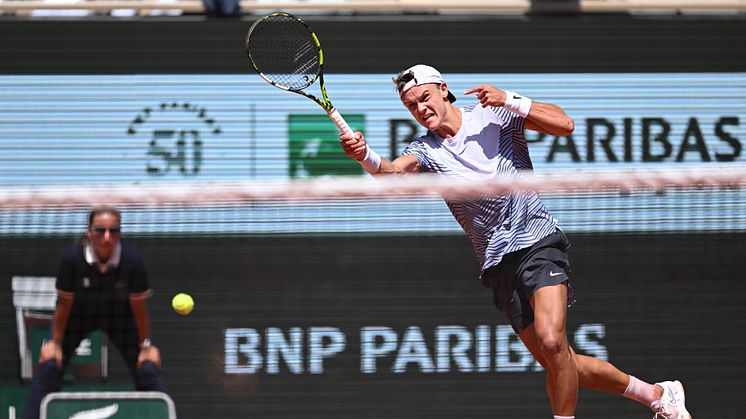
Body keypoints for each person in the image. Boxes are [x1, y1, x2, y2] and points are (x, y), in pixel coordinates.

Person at [339, 64, 691, 419]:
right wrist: (364, 157)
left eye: (425, 97)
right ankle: (656, 394)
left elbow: (564, 125)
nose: (421, 109)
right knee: (559, 361)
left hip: (537, 242)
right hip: (496, 263)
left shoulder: (494, 116)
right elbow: (394, 173)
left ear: (444, 89)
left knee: (553, 342)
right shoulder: (426, 150)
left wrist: (510, 99)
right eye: (412, 106)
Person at [23, 206, 167, 419]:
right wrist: (54, 343)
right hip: (77, 316)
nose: (107, 237)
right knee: (50, 365)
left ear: (120, 233)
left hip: (120, 318)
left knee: (147, 367)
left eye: (114, 231)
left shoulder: (132, 259)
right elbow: (64, 302)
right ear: (89, 232)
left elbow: (138, 306)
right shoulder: (73, 258)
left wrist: (145, 345)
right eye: (100, 230)